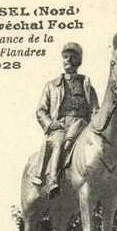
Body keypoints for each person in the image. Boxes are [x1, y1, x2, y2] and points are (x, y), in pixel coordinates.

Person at [32, 42, 99, 193]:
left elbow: (95, 109)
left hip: (83, 125)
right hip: (61, 126)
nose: (67, 60)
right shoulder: (51, 85)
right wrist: (50, 124)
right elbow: (41, 110)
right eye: (65, 57)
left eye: (72, 57)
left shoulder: (87, 85)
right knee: (60, 142)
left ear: (79, 61)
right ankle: (52, 180)